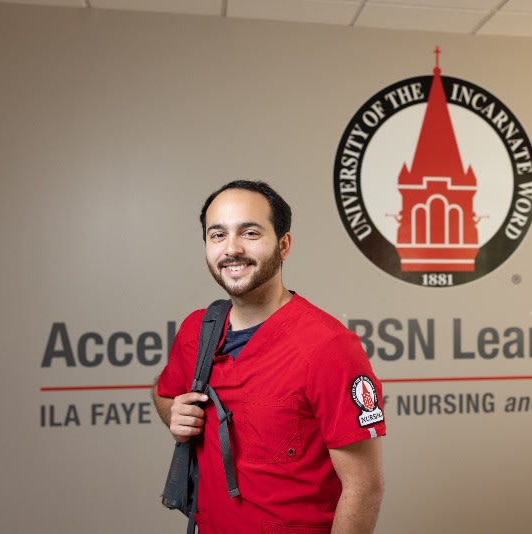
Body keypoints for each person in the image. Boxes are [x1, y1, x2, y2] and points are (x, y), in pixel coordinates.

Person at [153, 180, 386, 533]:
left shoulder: (330, 347)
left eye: (249, 233)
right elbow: (164, 391)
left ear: (284, 244)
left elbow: (364, 487)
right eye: (217, 235)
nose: (231, 249)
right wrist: (174, 413)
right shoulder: (197, 330)